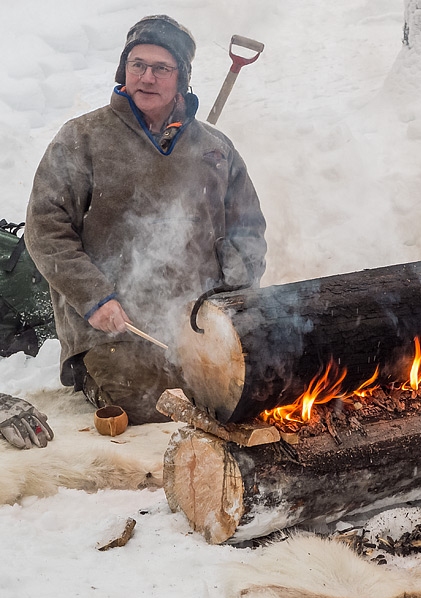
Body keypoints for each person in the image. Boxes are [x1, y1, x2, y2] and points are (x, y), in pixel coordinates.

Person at [24, 15, 267, 425]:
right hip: (116, 328)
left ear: (181, 79)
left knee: (240, 397)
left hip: (195, 322)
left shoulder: (214, 148)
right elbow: (46, 229)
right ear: (124, 71)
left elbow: (247, 230)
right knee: (149, 407)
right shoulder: (82, 138)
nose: (146, 78)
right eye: (137, 65)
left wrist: (232, 300)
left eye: (161, 69)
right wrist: (94, 298)